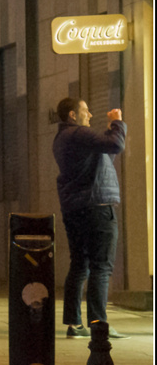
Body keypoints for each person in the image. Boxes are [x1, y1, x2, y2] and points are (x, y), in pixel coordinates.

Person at [52, 98, 126, 339]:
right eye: (85, 110)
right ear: (72, 115)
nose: (90, 115)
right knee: (101, 267)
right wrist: (117, 123)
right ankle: (98, 324)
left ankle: (74, 324)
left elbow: (102, 156)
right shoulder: (78, 133)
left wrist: (109, 131)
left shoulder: (62, 138)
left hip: (74, 209)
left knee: (79, 265)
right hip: (97, 207)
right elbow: (115, 145)